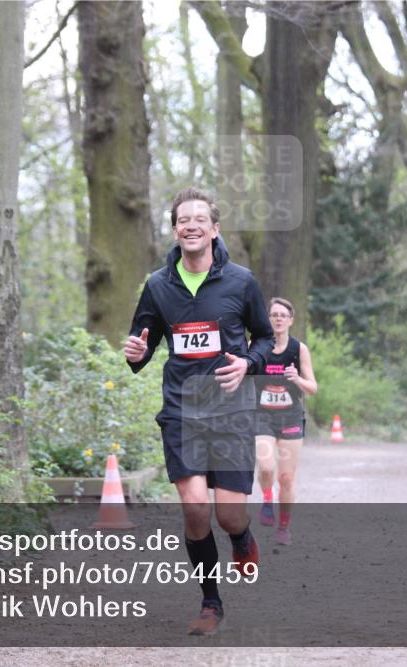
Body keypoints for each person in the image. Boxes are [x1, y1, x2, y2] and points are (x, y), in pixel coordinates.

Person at [123, 186, 274, 636]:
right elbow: (141, 347)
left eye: (199, 219)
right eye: (182, 220)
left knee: (228, 516)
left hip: (229, 412)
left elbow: (264, 339)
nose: (191, 225)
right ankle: (211, 602)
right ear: (175, 230)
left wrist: (248, 363)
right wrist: (134, 353)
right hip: (182, 412)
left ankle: (242, 538)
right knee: (193, 508)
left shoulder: (241, 281)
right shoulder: (157, 286)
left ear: (214, 228)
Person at [254, 298, 317, 546]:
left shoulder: (299, 350)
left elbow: (312, 387)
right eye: (274, 315)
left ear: (290, 320)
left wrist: (297, 379)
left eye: (283, 315)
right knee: (267, 467)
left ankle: (283, 527)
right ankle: (267, 498)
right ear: (268, 319)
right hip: (263, 417)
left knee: (287, 478)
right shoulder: (256, 346)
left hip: (290, 417)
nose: (278, 318)